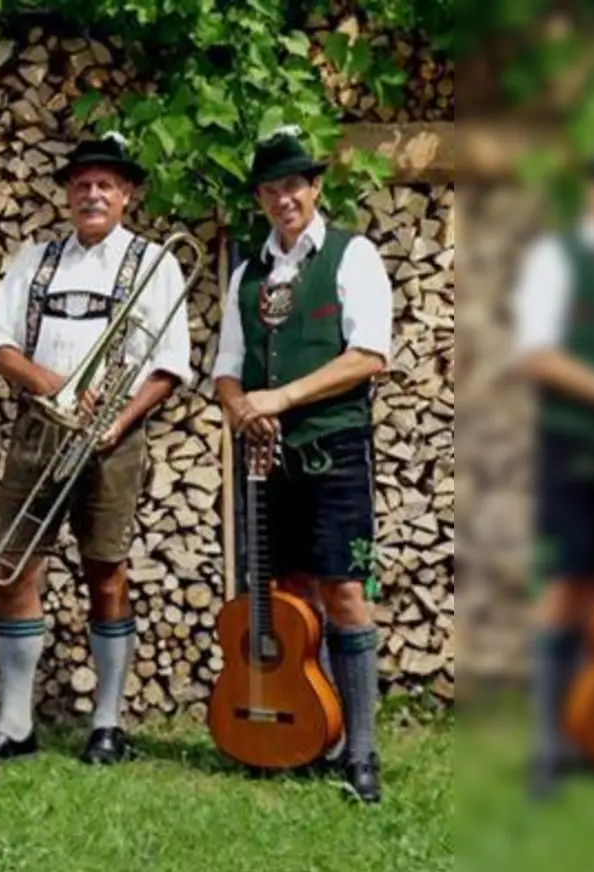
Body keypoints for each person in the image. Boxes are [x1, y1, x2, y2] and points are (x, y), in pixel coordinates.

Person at [0, 133, 192, 765]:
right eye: (82, 184)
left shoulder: (156, 264)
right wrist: (56, 386)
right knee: (14, 569)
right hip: (39, 429)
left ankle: (108, 722)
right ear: (68, 195)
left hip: (112, 439)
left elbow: (170, 364)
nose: (92, 194)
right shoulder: (36, 261)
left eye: (105, 185)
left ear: (126, 196)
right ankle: (16, 723)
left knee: (106, 571)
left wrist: (119, 420)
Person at [211, 124, 395, 804]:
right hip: (266, 457)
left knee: (344, 592)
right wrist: (241, 408)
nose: (284, 198)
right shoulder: (248, 275)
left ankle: (362, 751)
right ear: (259, 198)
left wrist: (281, 398)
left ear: (315, 188)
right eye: (271, 189)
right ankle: (313, 732)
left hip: (333, 447)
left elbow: (369, 355)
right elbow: (226, 369)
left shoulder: (352, 255)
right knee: (287, 598)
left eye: (294, 185)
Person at [511, 129, 594, 800]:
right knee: (566, 586)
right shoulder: (558, 260)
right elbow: (539, 356)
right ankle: (549, 745)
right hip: (574, 448)